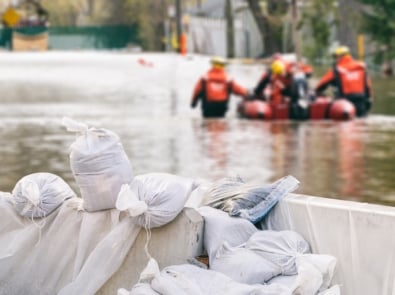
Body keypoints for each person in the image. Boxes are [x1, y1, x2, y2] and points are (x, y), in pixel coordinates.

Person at [315, 45, 373, 117]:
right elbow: (368, 86)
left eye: (336, 57)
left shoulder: (337, 69)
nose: (336, 60)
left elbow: (322, 84)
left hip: (344, 102)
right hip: (361, 100)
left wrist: (316, 92)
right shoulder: (361, 67)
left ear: (340, 57)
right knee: (362, 120)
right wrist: (369, 98)